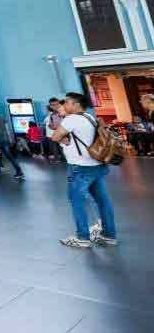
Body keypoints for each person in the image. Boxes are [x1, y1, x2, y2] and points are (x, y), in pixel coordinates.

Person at [51, 92, 117, 249]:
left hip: (80, 167)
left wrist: (63, 139)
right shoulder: (90, 117)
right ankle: (109, 235)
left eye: (67, 102)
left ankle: (82, 237)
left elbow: (54, 136)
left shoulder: (71, 119)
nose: (64, 105)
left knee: (76, 201)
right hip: (97, 165)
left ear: (76, 105)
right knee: (103, 201)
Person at [0, 103, 24, 180]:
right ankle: (19, 171)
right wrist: (10, 140)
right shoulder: (2, 118)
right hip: (4, 139)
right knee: (10, 157)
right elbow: (7, 129)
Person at [44, 98, 64, 163]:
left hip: (60, 133)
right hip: (56, 134)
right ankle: (61, 159)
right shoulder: (51, 115)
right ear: (50, 106)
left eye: (56, 104)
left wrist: (53, 127)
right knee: (58, 147)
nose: (55, 106)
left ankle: (61, 159)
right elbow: (51, 125)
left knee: (59, 146)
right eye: (52, 105)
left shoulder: (62, 113)